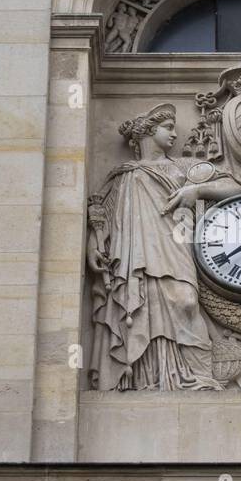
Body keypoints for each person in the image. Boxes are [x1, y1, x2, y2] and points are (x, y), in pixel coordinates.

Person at [88, 104, 219, 390]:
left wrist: (196, 190)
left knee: (186, 300)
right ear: (148, 131)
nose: (174, 133)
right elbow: (104, 214)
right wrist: (93, 245)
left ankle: (199, 376)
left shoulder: (183, 167)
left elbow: (231, 184)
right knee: (142, 303)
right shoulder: (123, 175)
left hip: (177, 243)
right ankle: (151, 377)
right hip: (135, 251)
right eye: (168, 127)